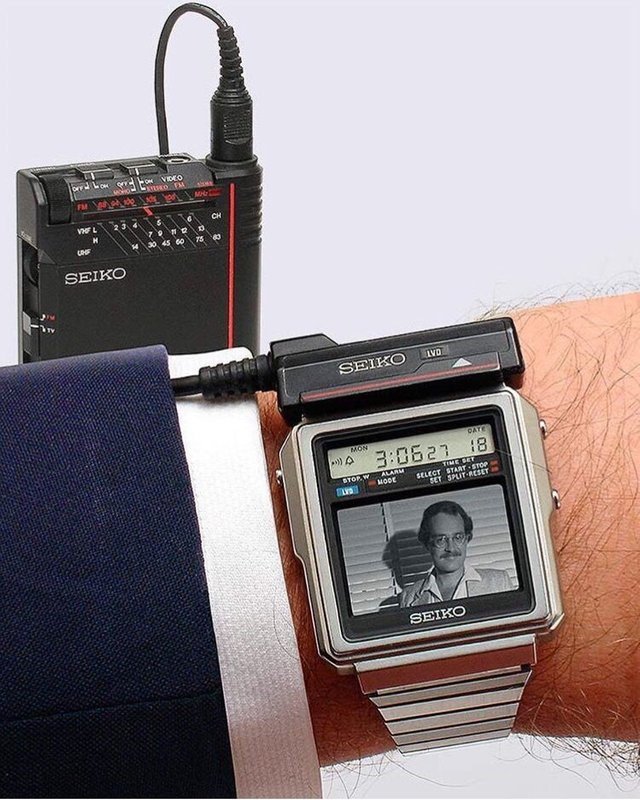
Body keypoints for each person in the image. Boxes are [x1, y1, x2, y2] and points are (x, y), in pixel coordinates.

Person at [399, 500, 513, 607]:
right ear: (427, 545)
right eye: (441, 539)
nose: (450, 548)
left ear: (467, 539)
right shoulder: (408, 597)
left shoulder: (499, 583)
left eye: (458, 537)